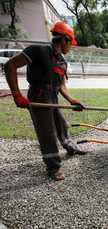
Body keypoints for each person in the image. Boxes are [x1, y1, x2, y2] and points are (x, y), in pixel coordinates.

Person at [4, 22, 87, 181]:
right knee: (47, 133)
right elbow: (10, 66)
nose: (71, 47)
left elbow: (61, 85)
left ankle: (70, 147)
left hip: (53, 97)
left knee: (61, 124)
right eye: (71, 44)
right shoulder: (38, 51)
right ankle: (53, 167)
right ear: (64, 40)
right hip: (38, 97)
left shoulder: (62, 61)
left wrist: (72, 101)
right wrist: (17, 95)